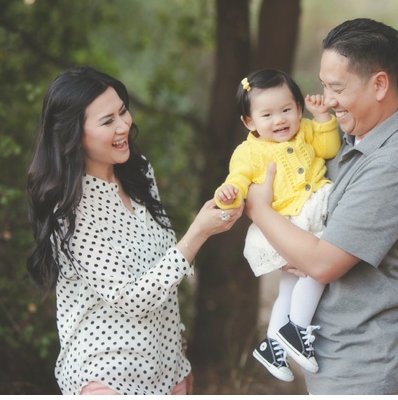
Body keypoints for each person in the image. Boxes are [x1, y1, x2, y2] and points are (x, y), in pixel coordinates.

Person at [26, 67, 243, 395]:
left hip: (166, 370)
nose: (124, 125)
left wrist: (176, 348)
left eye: (123, 111)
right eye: (107, 120)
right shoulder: (70, 212)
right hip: (106, 377)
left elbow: (160, 267)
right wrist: (198, 233)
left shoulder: (139, 174)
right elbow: (130, 298)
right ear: (73, 134)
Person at [245, 19, 398, 395]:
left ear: (379, 84)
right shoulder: (351, 136)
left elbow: (322, 263)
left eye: (337, 88)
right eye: (324, 85)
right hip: (337, 365)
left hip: (366, 374)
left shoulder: (391, 166)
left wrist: (259, 210)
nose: (326, 100)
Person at [214, 69, 340, 382]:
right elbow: (238, 181)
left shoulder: (307, 130)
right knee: (317, 270)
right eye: (267, 114)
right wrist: (228, 195)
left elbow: (329, 149)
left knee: (289, 287)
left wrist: (323, 118)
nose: (279, 120)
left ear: (299, 108)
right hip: (290, 224)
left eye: (286, 110)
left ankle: (273, 345)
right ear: (249, 122)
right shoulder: (248, 152)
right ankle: (295, 329)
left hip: (303, 217)